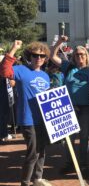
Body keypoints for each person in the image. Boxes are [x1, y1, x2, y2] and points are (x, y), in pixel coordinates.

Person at [0, 40, 52, 186]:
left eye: (42, 56)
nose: (39, 58)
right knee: (33, 152)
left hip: (43, 119)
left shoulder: (45, 75)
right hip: (28, 119)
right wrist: (14, 49)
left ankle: (38, 178)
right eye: (35, 55)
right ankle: (25, 181)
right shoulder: (21, 70)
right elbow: (4, 70)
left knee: (42, 150)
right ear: (30, 55)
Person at [50, 35, 89, 175]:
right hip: (69, 108)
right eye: (76, 54)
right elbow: (52, 55)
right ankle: (70, 163)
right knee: (69, 139)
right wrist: (60, 42)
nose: (79, 56)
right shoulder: (68, 67)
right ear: (73, 56)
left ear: (86, 55)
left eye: (82, 54)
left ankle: (83, 165)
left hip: (86, 108)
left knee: (84, 137)